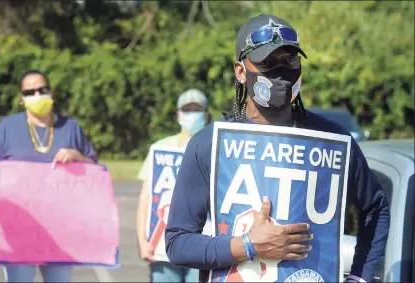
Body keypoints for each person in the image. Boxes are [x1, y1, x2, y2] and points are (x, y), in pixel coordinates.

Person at [165, 15, 390, 283]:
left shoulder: (331, 140)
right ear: (241, 72)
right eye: (267, 63)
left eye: (289, 60)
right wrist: (247, 246)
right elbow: (178, 243)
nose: (281, 72)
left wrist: (360, 278)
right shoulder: (209, 143)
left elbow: (376, 209)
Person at [0, 69, 97, 282]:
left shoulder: (70, 127)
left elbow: (95, 170)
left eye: (42, 89)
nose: (37, 95)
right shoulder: (8, 127)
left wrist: (77, 156)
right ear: (22, 99)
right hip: (17, 226)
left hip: (60, 227)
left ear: (51, 92)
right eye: (30, 92)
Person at [136, 89, 210, 282]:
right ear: (178, 114)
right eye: (187, 110)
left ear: (206, 114)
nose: (192, 114)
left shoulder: (215, 147)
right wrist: (143, 241)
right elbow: (146, 199)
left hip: (200, 247)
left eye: (197, 109)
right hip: (161, 250)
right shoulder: (161, 149)